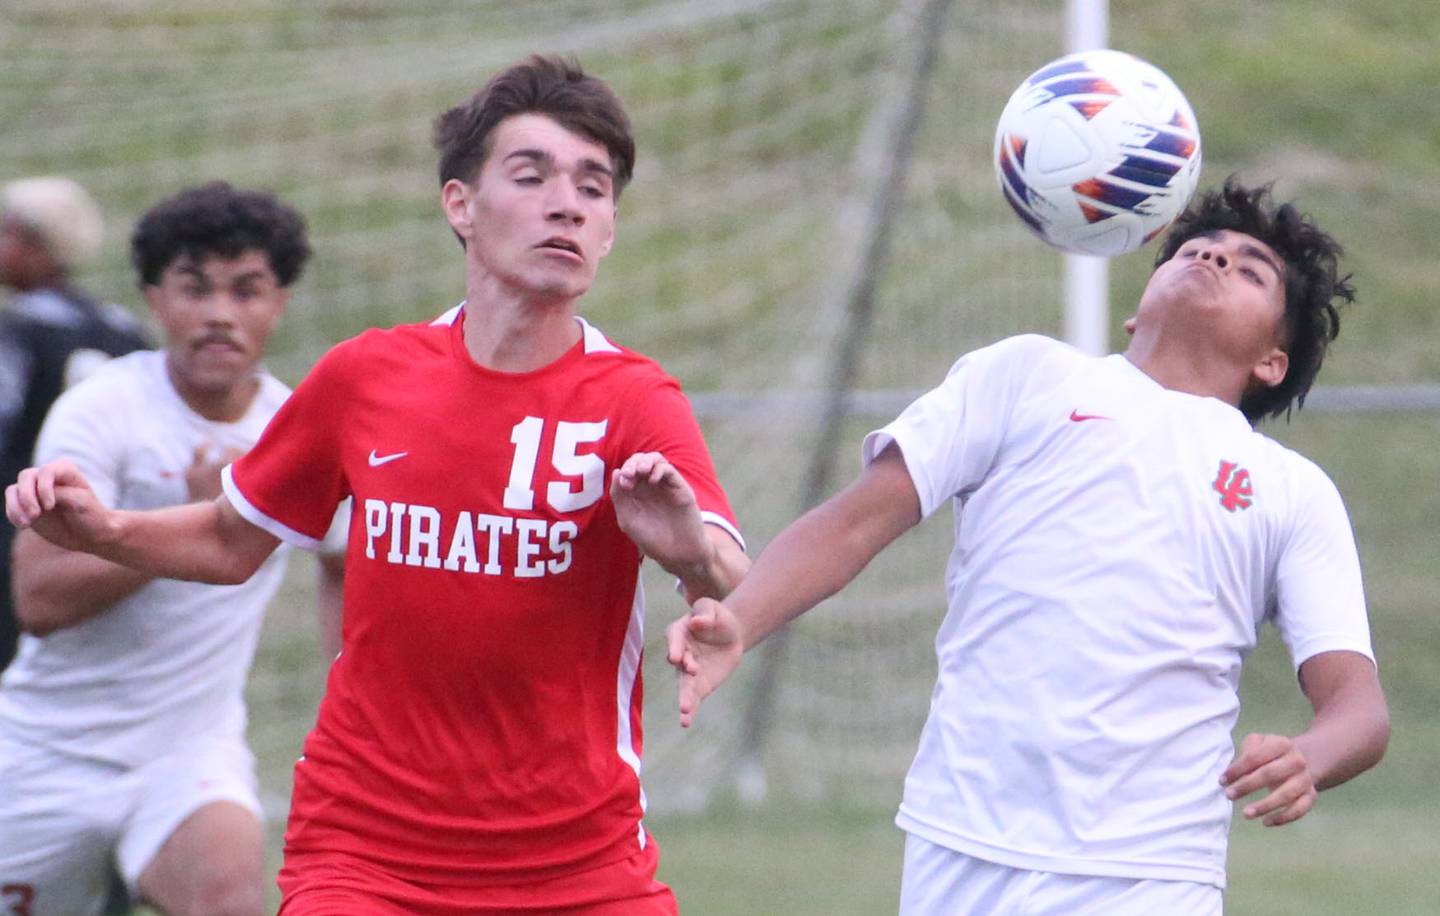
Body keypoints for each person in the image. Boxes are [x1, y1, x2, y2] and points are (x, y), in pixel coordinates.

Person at [6, 56, 748, 915]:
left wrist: (691, 547)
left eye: (594, 186)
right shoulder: (365, 377)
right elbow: (229, 539)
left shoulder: (633, 399)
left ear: (610, 229)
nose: (567, 202)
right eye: (531, 173)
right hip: (365, 857)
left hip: (580, 867)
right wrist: (103, 530)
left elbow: (730, 570)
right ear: (460, 206)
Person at [667, 180, 1390, 914]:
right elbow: (854, 522)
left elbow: (1358, 709)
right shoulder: (1025, 376)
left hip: (1150, 869)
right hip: (964, 843)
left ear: (1274, 359)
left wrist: (1312, 756)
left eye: (1251, 267)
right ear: (1138, 306)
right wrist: (743, 618)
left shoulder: (1290, 490)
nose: (1216, 257)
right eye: (1198, 248)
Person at [0, 181, 347, 916]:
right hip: (45, 750)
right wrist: (196, 516)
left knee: (228, 896)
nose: (220, 313)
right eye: (195, 288)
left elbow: (345, 560)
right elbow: (38, 600)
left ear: (279, 303)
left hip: (188, 756)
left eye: (247, 290)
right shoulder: (100, 408)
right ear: (155, 298)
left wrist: (353, 706)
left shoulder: (297, 431)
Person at [0, 176, 151, 670]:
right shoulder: (122, 330)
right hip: (94, 528)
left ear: (43, 246)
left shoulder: (20, 331)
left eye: (10, 233)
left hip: (16, 515)